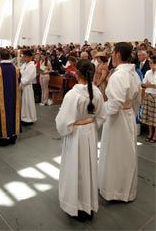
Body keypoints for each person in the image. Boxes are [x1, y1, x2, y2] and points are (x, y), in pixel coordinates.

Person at [56, 59, 106, 221]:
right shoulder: (97, 92)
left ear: (77, 73)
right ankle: (88, 205)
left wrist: (70, 127)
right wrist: (90, 124)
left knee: (75, 168)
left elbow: (62, 123)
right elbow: (101, 116)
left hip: (75, 135)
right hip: (90, 133)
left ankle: (75, 205)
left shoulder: (72, 95)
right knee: (89, 168)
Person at [99, 42, 141, 202]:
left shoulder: (118, 75)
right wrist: (130, 111)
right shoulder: (134, 74)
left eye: (112, 54)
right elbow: (137, 98)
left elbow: (114, 104)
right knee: (127, 153)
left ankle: (114, 191)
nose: (111, 57)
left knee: (115, 153)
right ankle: (126, 189)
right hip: (128, 115)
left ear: (117, 55)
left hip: (117, 120)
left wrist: (100, 110)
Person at [141, 55, 156, 143]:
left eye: (152, 63)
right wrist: (151, 85)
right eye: (150, 63)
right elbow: (143, 84)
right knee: (149, 117)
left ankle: (155, 135)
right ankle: (150, 133)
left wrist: (149, 85)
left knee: (155, 117)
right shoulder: (148, 72)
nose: (150, 64)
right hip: (147, 94)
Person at [20, 50, 37, 125]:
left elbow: (27, 78)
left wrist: (20, 83)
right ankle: (24, 117)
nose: (24, 58)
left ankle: (29, 119)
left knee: (27, 103)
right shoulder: (24, 65)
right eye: (23, 56)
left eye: (25, 57)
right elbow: (21, 73)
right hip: (23, 86)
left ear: (30, 57)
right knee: (24, 103)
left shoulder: (32, 66)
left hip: (27, 86)